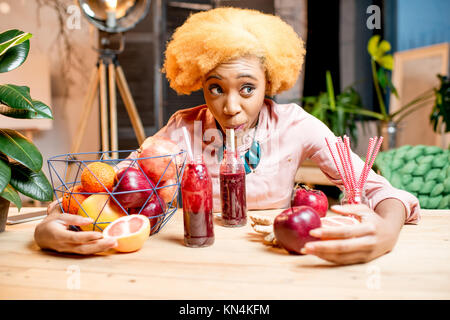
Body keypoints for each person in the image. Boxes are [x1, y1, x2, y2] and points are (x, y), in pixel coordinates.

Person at [35, 7, 420, 264]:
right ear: (200, 84)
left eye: (247, 88)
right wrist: (52, 222)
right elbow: (117, 186)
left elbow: (375, 187)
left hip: (275, 264)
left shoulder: (295, 125)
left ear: (270, 82)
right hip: (197, 262)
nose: (230, 106)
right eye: (216, 88)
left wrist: (386, 232)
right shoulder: (183, 130)